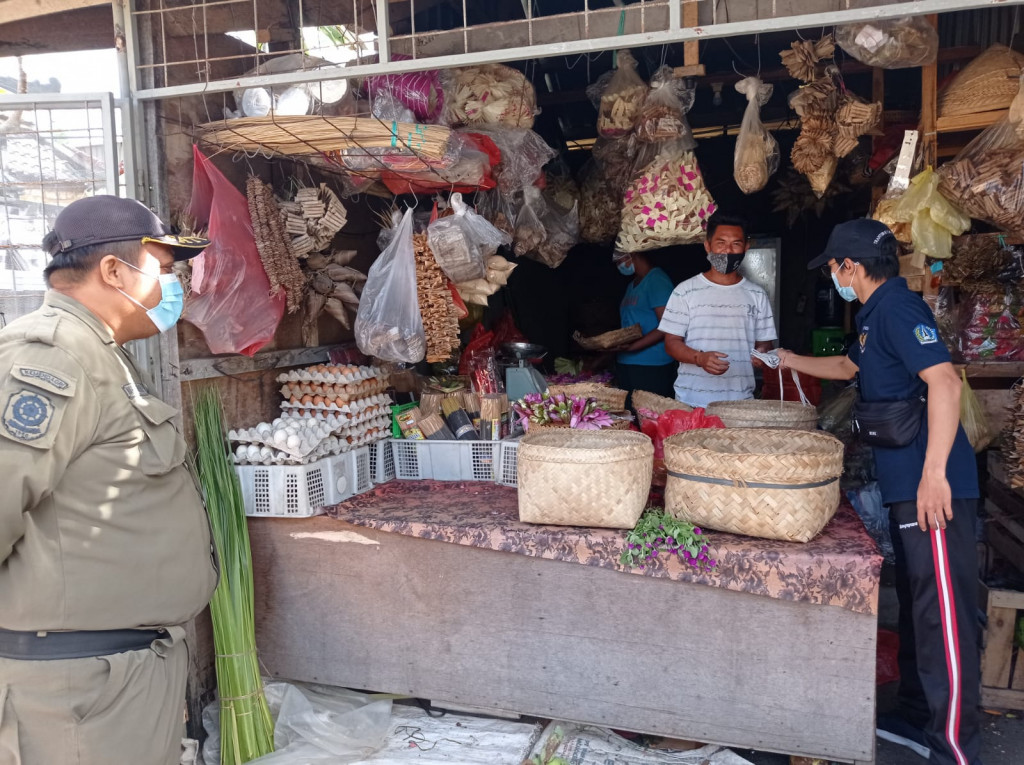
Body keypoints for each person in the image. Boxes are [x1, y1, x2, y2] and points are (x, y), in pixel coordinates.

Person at [0, 196, 219, 765]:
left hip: (111, 675)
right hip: (76, 689)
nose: (176, 285)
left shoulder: (101, 352)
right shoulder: (52, 359)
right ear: (115, 271)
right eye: (166, 269)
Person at [778, 219, 982, 765]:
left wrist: (933, 474)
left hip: (930, 486)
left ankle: (956, 749)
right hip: (906, 485)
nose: (833, 279)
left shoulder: (897, 308)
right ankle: (917, 715)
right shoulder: (873, 316)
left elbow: (943, 382)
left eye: (834, 269)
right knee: (920, 606)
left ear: (852, 267)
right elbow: (849, 366)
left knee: (944, 617)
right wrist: (789, 359)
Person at [658, 211, 776, 408]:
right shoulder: (685, 291)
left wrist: (762, 354)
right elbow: (671, 343)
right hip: (691, 402)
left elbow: (765, 344)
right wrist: (699, 358)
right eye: (720, 243)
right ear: (707, 245)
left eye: (736, 244)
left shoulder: (757, 295)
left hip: (740, 404)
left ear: (746, 247)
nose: (728, 251)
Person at [611, 249, 677, 402]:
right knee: (630, 416)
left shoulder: (657, 281)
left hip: (651, 364)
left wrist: (633, 347)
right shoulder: (632, 285)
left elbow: (667, 325)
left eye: (620, 260)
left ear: (634, 254)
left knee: (648, 415)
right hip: (627, 362)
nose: (619, 265)